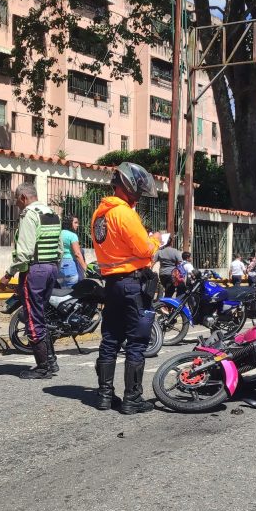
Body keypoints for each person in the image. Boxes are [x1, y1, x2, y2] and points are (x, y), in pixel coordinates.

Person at [91, 162, 161, 415]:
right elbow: (144, 250)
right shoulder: (124, 214)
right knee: (136, 341)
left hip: (111, 284)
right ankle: (132, 399)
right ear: (129, 187)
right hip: (133, 284)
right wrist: (156, 241)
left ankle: (104, 396)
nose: (139, 195)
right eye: (138, 190)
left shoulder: (100, 213)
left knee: (110, 339)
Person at [0, 183, 63, 379]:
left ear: (24, 197)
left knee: (33, 318)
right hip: (51, 268)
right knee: (41, 315)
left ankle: (43, 367)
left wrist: (8, 274)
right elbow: (59, 248)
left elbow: (25, 252)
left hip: (34, 271)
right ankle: (51, 362)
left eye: (17, 200)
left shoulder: (29, 214)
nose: (17, 205)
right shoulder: (51, 213)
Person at [58, 214, 86, 287]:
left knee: (62, 292)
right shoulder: (72, 236)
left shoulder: (59, 233)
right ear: (70, 223)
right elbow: (77, 253)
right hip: (70, 266)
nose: (78, 225)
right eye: (75, 222)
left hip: (59, 266)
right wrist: (85, 268)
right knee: (72, 293)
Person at [155, 233, 184, 297]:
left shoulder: (159, 252)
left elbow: (153, 260)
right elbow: (180, 261)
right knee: (171, 290)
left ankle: (165, 304)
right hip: (172, 274)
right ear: (171, 243)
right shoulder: (175, 251)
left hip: (162, 274)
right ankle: (166, 304)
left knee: (168, 289)